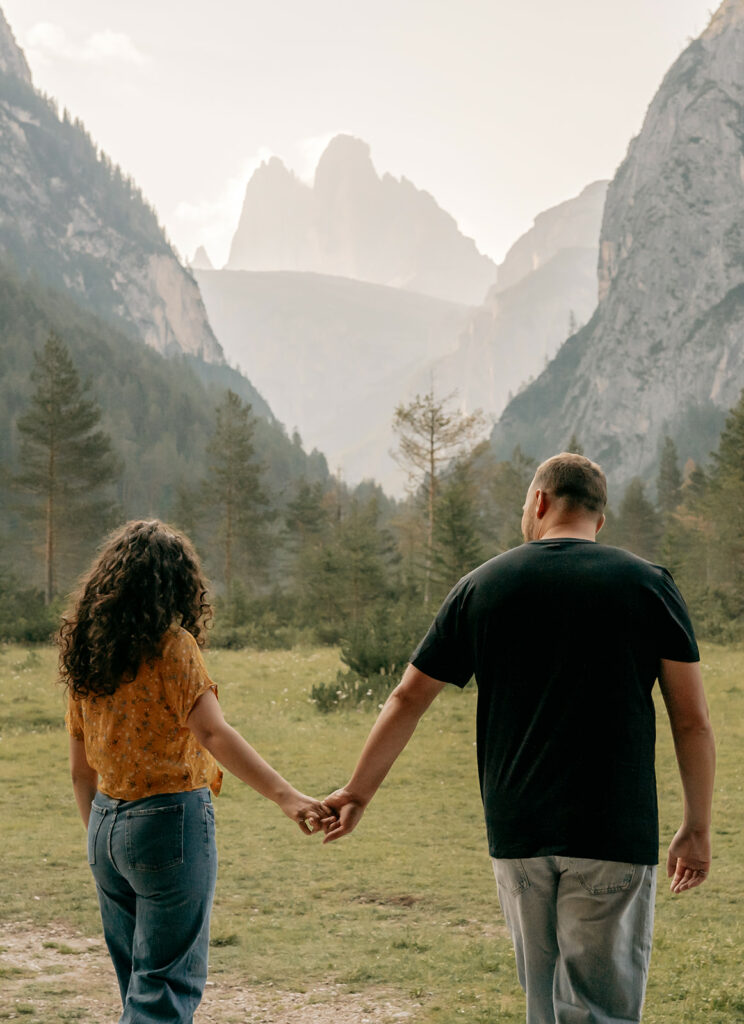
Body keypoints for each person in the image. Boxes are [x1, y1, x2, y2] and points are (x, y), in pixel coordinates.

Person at [322, 452, 715, 1024]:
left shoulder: (482, 585)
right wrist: (697, 827)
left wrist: (357, 791)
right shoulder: (649, 585)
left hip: (519, 831)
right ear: (597, 521)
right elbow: (692, 720)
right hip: (614, 829)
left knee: (542, 1006)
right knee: (601, 1010)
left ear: (539, 501)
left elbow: (408, 697)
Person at [61, 519, 328, 1024]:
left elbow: (80, 770)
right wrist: (287, 796)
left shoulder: (87, 649)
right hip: (168, 824)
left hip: (103, 826)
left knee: (138, 985)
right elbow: (213, 733)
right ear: (177, 583)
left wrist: (104, 838)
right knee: (161, 992)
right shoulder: (171, 645)